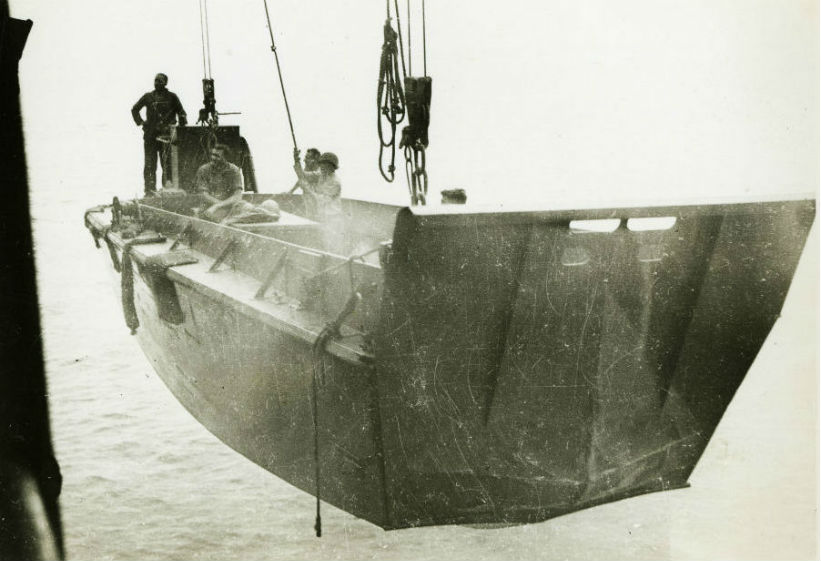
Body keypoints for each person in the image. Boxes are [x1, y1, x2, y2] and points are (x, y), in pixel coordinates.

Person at [131, 73, 188, 195]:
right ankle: (149, 191)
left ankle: (168, 191)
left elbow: (182, 112)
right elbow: (134, 109)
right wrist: (141, 122)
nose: (157, 83)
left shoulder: (172, 97)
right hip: (150, 136)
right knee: (150, 164)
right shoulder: (148, 97)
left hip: (167, 137)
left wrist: (181, 125)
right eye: (155, 80)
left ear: (165, 83)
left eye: (160, 81)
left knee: (168, 165)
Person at [194, 144, 244, 222]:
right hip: (209, 208)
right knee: (217, 217)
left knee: (248, 208)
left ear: (225, 158)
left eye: (217, 156)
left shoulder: (234, 170)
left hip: (228, 207)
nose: (213, 158)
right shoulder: (203, 170)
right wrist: (218, 205)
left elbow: (238, 195)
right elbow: (203, 195)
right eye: (212, 154)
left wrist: (219, 205)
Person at [292, 148, 342, 222]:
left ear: (332, 166)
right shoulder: (321, 175)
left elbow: (322, 199)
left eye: (324, 164)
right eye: (321, 164)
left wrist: (307, 188)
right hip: (322, 216)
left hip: (332, 218)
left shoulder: (335, 182)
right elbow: (302, 175)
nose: (321, 166)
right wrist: (296, 160)